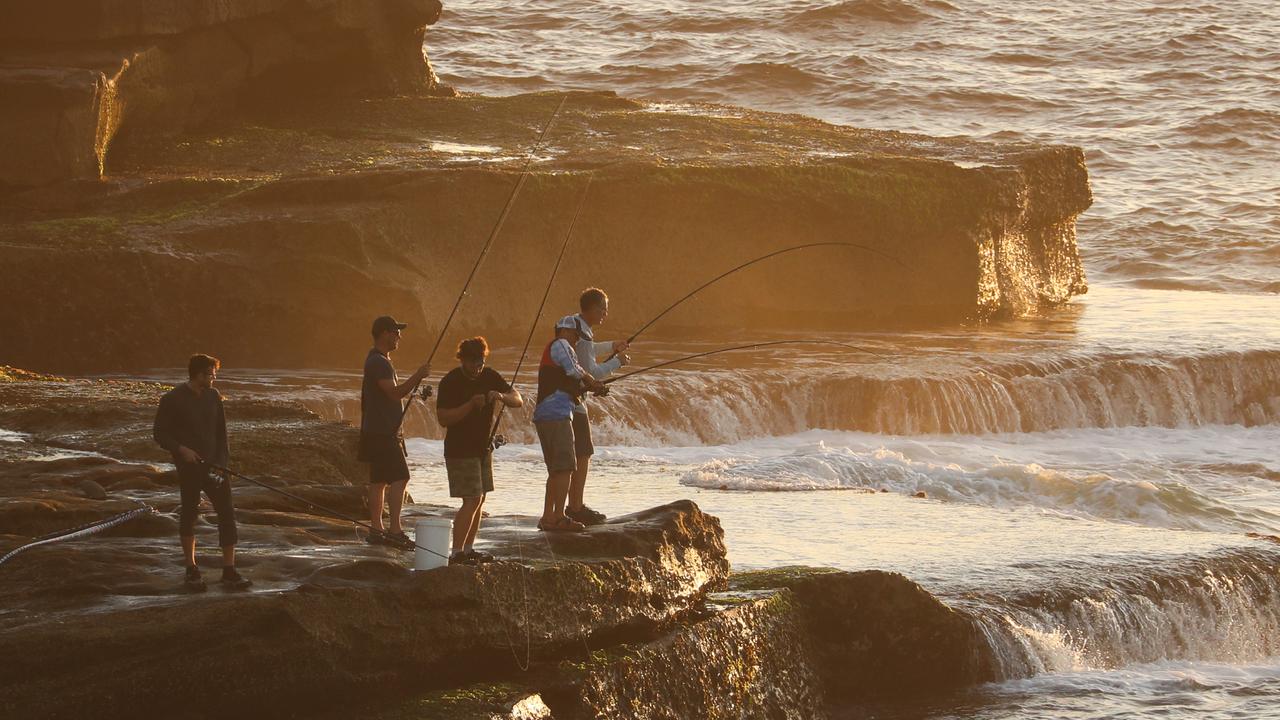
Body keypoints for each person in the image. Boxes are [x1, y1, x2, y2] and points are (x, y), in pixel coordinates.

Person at [153, 354, 250, 590]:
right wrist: (181, 449)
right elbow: (160, 434)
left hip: (215, 467)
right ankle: (191, 569)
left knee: (227, 515)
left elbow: (221, 434)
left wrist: (223, 465)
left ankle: (229, 571)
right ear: (199, 374)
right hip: (189, 468)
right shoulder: (172, 398)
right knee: (189, 515)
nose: (214, 377)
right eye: (211, 373)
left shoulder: (214, 396)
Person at [436, 337, 523, 565]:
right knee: (471, 499)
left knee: (480, 499)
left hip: (483, 448)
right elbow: (443, 418)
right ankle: (456, 553)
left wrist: (501, 396)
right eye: (474, 361)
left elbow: (518, 400)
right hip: (459, 449)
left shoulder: (490, 376)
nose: (478, 366)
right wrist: (469, 406)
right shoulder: (450, 382)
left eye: (482, 361)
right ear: (463, 359)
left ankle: (468, 548)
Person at [360, 315, 430, 549]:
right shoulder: (379, 362)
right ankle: (394, 530)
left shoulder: (378, 360)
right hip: (383, 432)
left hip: (377, 430)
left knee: (379, 482)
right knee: (401, 477)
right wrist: (418, 376)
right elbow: (393, 393)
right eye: (395, 331)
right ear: (383, 333)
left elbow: (389, 395)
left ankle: (377, 530)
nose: (399, 335)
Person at [532, 316, 608, 531]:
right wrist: (593, 382)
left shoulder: (555, 351)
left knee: (556, 471)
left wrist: (590, 387)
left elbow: (567, 381)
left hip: (546, 414)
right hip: (556, 414)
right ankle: (557, 517)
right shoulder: (561, 345)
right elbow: (574, 370)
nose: (576, 341)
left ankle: (548, 517)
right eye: (576, 336)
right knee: (565, 467)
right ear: (565, 332)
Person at [567, 288, 631, 526]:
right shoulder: (582, 334)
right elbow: (591, 373)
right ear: (592, 308)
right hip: (575, 405)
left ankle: (574, 505)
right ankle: (575, 507)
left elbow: (589, 351)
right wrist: (617, 362)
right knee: (583, 455)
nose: (605, 313)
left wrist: (613, 345)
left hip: (570, 402)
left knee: (577, 456)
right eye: (602, 309)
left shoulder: (578, 329)